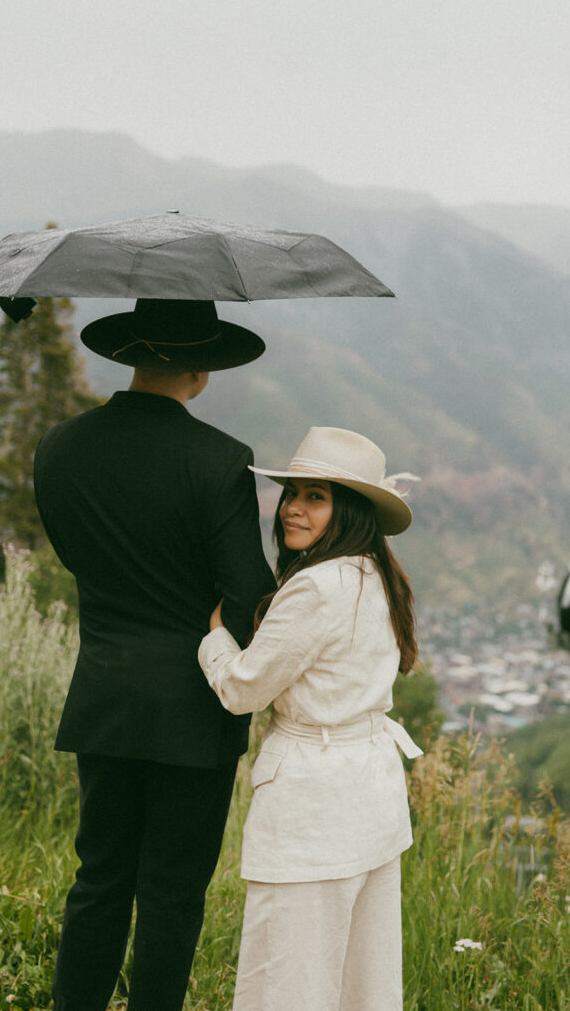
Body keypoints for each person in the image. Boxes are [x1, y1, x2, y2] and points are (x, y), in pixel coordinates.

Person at [33, 298, 277, 1011]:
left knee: (99, 878)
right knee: (170, 894)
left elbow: (74, 555)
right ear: (201, 370)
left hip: (104, 694)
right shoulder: (220, 460)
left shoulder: (60, 446)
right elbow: (248, 593)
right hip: (194, 711)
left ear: (131, 354)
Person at [198, 425, 422, 1011]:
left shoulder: (316, 587)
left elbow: (244, 690)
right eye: (293, 493)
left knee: (287, 979)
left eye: (315, 497)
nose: (294, 508)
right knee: (362, 981)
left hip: (312, 806)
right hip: (370, 794)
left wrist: (216, 638)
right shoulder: (377, 576)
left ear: (347, 510)